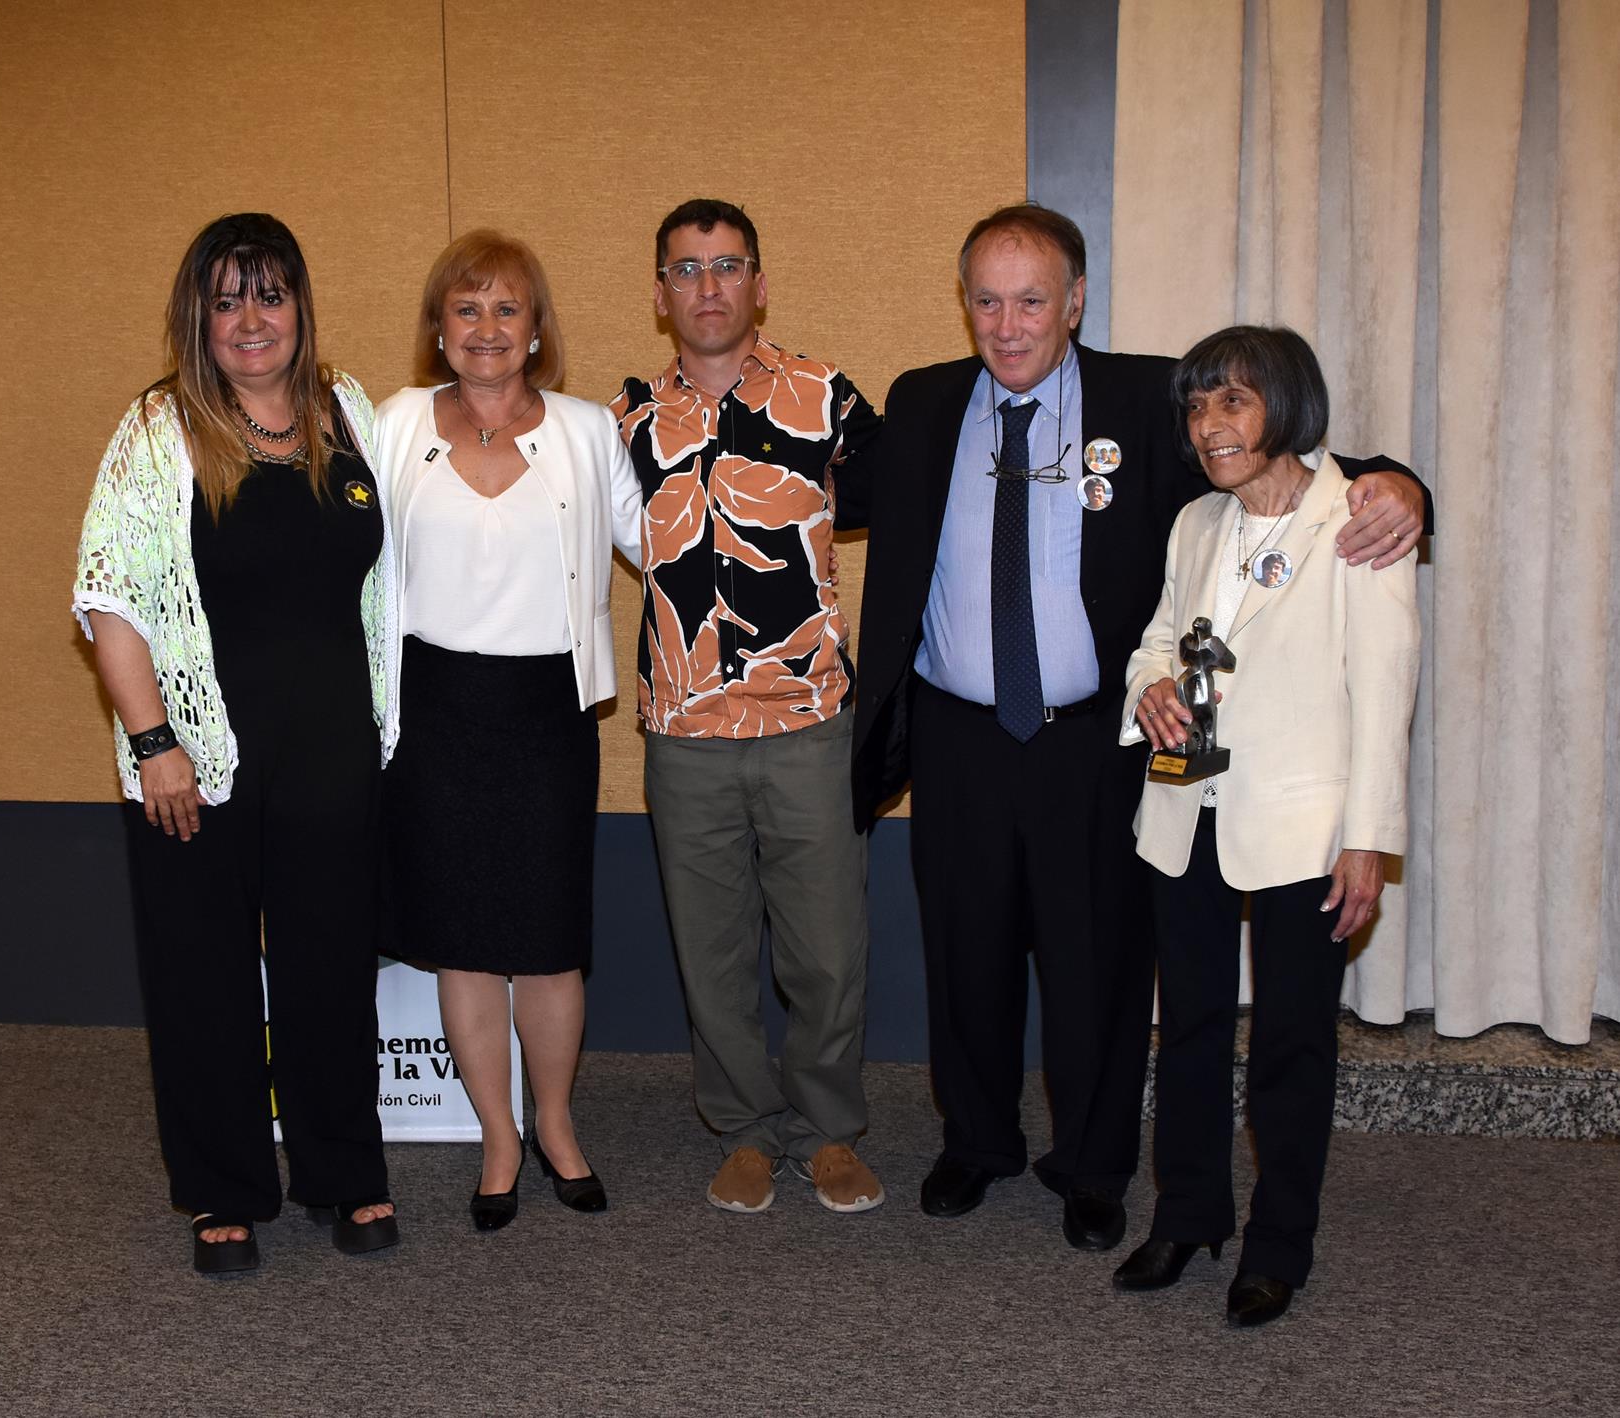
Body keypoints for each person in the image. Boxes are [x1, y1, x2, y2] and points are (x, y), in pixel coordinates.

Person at [850, 203, 1429, 1251]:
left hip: (1092, 737)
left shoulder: (1147, 397)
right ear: (965, 303)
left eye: (1033, 300)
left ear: (1076, 301)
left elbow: (1272, 455)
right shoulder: (924, 401)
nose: (1009, 324)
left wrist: (1403, 486)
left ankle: (1093, 1163)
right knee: (965, 950)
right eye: (988, 300)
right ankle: (976, 1141)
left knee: (1100, 962)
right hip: (958, 732)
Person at [72, 213, 400, 1273]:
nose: (251, 319)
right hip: (198, 763)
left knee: (330, 975)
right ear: (198, 318)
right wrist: (153, 742)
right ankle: (223, 1190)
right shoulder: (157, 427)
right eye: (226, 300)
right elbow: (110, 598)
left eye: (270, 294)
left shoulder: (347, 410)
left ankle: (345, 1171)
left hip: (333, 754)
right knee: (201, 977)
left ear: (300, 304)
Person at [1113, 325, 1418, 1326]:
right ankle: (1189, 1212)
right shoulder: (1196, 522)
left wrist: (1368, 838)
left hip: (1305, 827)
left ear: (1286, 407)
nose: (1209, 424)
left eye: (1233, 401)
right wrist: (1151, 688)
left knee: (1291, 1043)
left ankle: (1279, 1243)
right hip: (1185, 810)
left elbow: (1385, 691)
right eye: (1198, 406)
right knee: (1188, 1028)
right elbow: (1159, 638)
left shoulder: (1357, 518)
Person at [611, 198, 884, 1215]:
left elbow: (904, 501)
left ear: (759, 284)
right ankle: (744, 1129)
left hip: (809, 721)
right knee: (713, 952)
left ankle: (828, 1130)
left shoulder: (827, 396)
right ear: (660, 294)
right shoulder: (626, 422)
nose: (708, 286)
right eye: (686, 269)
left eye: (727, 266)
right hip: (684, 732)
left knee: (828, 950)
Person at [373, 231, 641, 1232]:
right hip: (433, 709)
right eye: (467, 307)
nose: (486, 327)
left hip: (546, 711)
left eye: (507, 308)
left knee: (550, 941)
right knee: (467, 945)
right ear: (439, 327)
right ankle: (499, 1136)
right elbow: (341, 551)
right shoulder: (395, 422)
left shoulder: (586, 430)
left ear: (536, 330)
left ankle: (557, 1123)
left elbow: (661, 544)